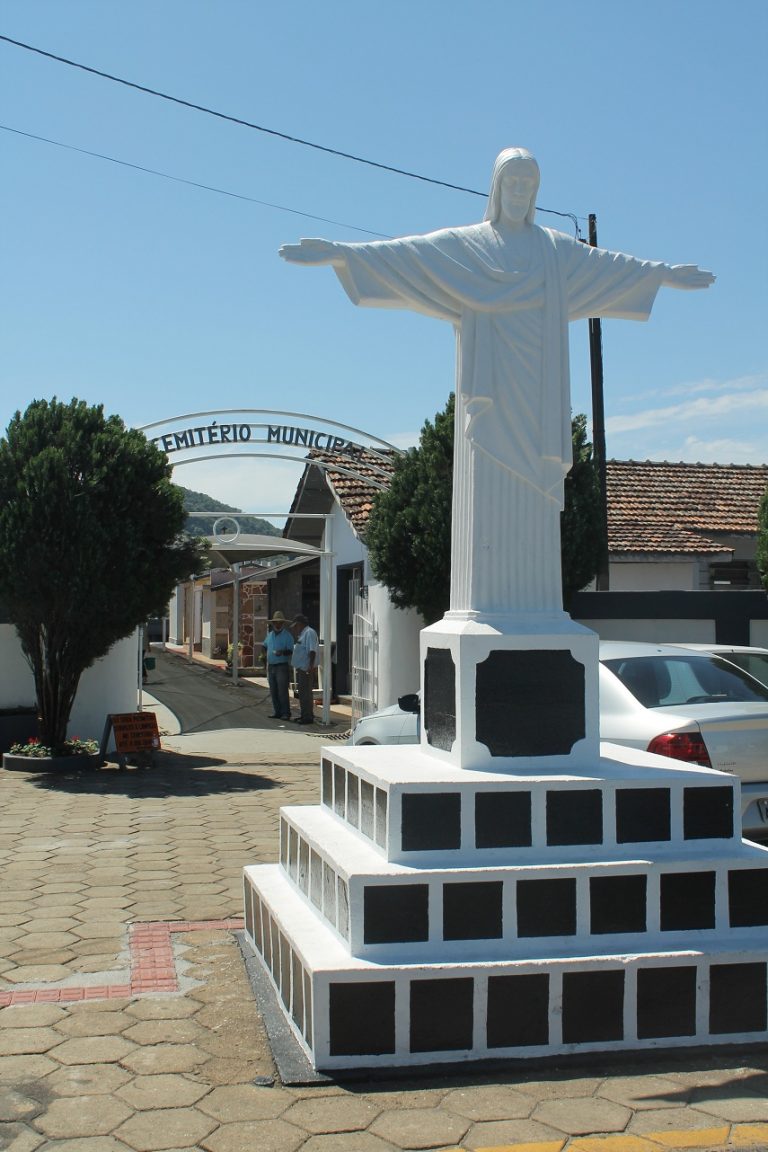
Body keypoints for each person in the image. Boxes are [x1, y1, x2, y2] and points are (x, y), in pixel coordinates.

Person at [279, 147, 714, 619]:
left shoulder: (554, 251)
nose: (521, 190)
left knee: (535, 495)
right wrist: (343, 255)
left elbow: (609, 267)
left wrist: (663, 274)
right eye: (513, 181)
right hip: (490, 391)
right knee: (488, 482)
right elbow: (411, 256)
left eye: (529, 183)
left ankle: (537, 611)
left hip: (539, 392)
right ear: (497, 187)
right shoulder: (470, 247)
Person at [262, 611, 294, 720]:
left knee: (282, 691)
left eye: (280, 622)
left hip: (282, 666)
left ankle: (286, 713)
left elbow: (290, 651)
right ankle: (277, 712)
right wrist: (264, 657)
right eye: (276, 622)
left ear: (283, 623)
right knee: (273, 690)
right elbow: (264, 646)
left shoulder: (287, 635)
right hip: (271, 666)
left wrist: (282, 652)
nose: (277, 624)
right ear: (273, 623)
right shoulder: (270, 635)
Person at [291, 613, 319, 724]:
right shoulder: (303, 633)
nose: (295, 629)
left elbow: (312, 651)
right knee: (302, 693)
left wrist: (310, 666)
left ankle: (307, 717)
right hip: (301, 668)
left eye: (296, 626)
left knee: (306, 693)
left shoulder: (309, 632)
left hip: (306, 669)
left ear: (300, 624)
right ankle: (304, 715)